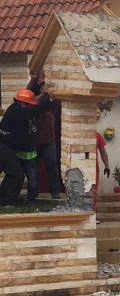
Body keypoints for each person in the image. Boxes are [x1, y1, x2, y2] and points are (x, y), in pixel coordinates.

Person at [0, 88, 54, 206]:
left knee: (12, 173)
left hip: (7, 148)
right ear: (22, 103)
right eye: (29, 105)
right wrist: (49, 100)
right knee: (16, 174)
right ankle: (7, 200)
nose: (31, 107)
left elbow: (33, 106)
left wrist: (40, 93)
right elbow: (33, 111)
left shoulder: (16, 108)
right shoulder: (17, 111)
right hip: (4, 148)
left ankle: (4, 198)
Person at [27, 72, 62, 200]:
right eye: (43, 86)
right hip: (34, 141)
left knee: (52, 165)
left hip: (48, 141)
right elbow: (28, 92)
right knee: (33, 167)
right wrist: (35, 80)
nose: (45, 88)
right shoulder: (32, 101)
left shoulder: (52, 101)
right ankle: (33, 193)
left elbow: (56, 100)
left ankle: (55, 192)